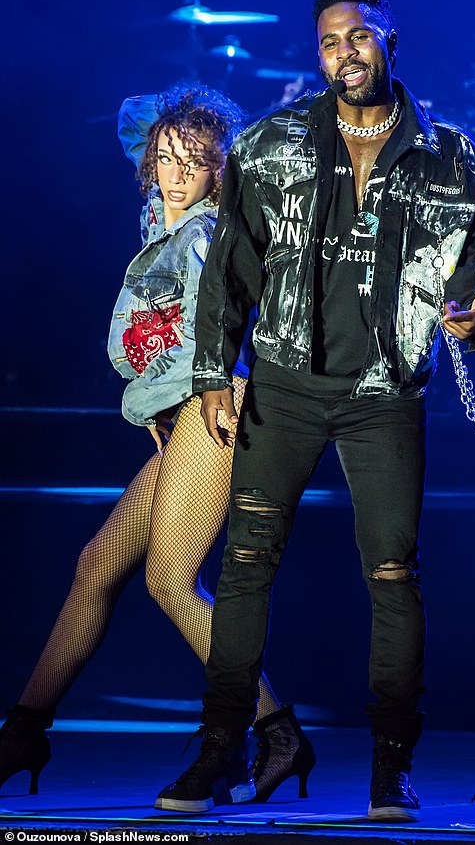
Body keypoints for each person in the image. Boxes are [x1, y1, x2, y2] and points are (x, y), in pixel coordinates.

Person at [155, 0, 475, 821]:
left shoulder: (455, 158)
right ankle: (222, 750)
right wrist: (214, 370)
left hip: (385, 391)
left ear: (391, 41)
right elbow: (231, 268)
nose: (344, 52)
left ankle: (392, 764)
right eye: (329, 41)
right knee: (246, 566)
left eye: (359, 36)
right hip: (283, 385)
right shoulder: (270, 144)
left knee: (394, 573)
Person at [0, 86, 314, 803]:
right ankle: (22, 730)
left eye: (196, 162)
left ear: (218, 172)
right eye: (165, 159)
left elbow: (231, 319)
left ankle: (272, 732)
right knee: (94, 567)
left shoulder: (214, 232)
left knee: (169, 580)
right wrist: (181, 116)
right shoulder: (156, 220)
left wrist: (218, 384)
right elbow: (133, 118)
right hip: (176, 422)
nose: (176, 174)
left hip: (216, 413)